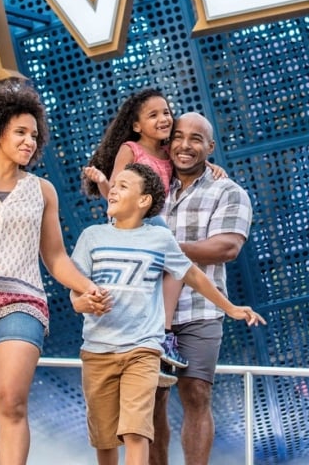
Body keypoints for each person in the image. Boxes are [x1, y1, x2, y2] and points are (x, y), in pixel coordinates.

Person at [0, 78, 108, 465]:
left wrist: (88, 287)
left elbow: (56, 257)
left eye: (34, 134)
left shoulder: (43, 190)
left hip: (22, 301)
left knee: (11, 402)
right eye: (20, 132)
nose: (30, 141)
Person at [70, 163, 264, 465]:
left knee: (136, 432)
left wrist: (230, 307)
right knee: (105, 439)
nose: (113, 190)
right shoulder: (91, 237)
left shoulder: (160, 240)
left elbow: (193, 275)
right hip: (97, 351)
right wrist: (81, 303)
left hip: (143, 350)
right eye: (114, 185)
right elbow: (75, 287)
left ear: (144, 200)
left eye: (122, 186)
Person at [81, 88, 223, 373]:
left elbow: (190, 157)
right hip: (133, 223)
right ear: (136, 126)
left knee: (174, 268)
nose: (163, 119)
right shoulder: (130, 149)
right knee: (173, 259)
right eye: (153, 115)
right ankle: (150, 338)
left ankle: (160, 336)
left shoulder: (168, 152)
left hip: (153, 228)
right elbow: (115, 193)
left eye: (166, 112)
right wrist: (102, 183)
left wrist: (210, 165)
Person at [151, 112, 254, 465]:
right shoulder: (150, 186)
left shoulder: (229, 192)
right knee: (152, 400)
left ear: (210, 147)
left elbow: (227, 247)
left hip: (200, 309)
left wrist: (165, 248)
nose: (185, 145)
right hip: (148, 311)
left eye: (196, 139)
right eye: (178, 137)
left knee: (196, 393)